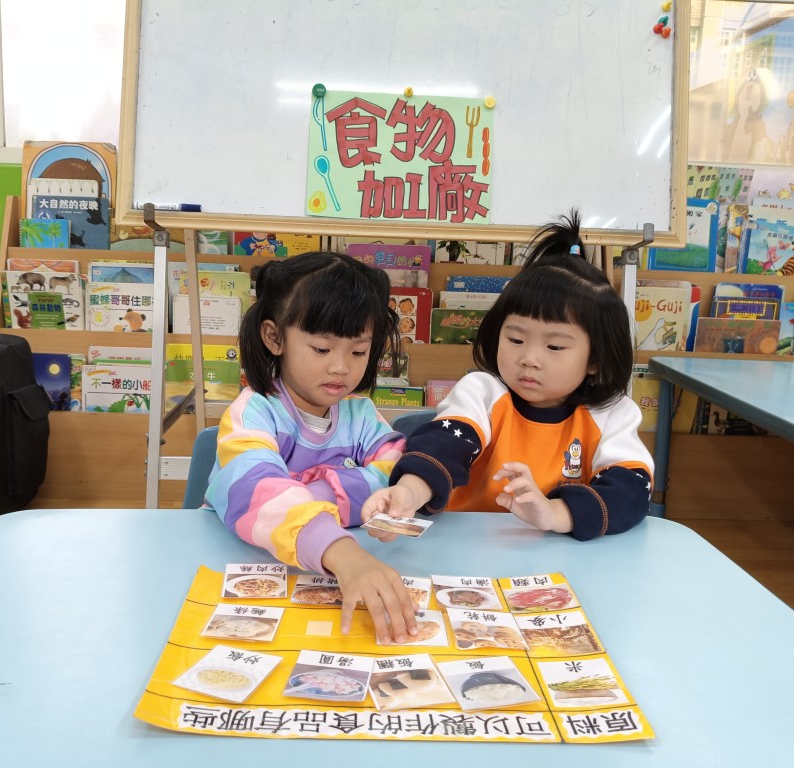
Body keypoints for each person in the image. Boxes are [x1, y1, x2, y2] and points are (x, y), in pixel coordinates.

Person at [362, 210, 653, 540]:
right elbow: (445, 446)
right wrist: (408, 493)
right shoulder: (483, 392)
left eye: (555, 346)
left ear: (596, 359)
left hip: (557, 556)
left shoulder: (611, 413)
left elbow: (631, 490)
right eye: (515, 339)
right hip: (464, 547)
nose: (529, 359)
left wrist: (557, 513)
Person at [202, 251, 419, 644]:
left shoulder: (359, 413)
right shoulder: (254, 412)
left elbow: (396, 471)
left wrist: (317, 493)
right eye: (322, 349)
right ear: (274, 337)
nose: (341, 367)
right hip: (245, 567)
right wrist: (343, 549)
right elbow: (256, 493)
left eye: (358, 351)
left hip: (322, 571)